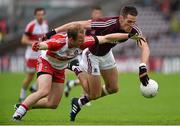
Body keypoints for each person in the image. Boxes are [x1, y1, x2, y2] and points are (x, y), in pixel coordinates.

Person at [12, 23, 141, 120]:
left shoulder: (84, 41)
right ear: (71, 39)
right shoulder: (59, 42)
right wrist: (38, 45)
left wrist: (129, 36)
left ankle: (25, 105)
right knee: (44, 91)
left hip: (60, 67)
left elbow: (106, 38)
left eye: (83, 39)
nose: (82, 42)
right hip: (46, 62)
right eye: (79, 40)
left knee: (53, 103)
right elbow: (46, 44)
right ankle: (17, 115)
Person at [42, 6, 150, 121]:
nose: (131, 25)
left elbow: (145, 47)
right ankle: (75, 67)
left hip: (107, 54)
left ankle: (78, 102)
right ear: (121, 18)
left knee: (113, 88)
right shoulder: (105, 23)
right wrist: (53, 32)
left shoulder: (134, 30)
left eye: (134, 22)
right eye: (129, 22)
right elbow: (76, 24)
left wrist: (143, 66)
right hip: (92, 55)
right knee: (94, 95)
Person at [64, 5, 104, 97]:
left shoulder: (102, 26)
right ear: (92, 14)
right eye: (95, 13)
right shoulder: (86, 26)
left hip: (96, 55)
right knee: (88, 75)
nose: (97, 15)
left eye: (99, 13)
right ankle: (84, 96)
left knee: (93, 76)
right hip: (84, 54)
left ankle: (72, 84)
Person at [19, 7, 49, 102]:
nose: (40, 16)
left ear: (44, 15)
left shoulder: (45, 24)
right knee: (30, 76)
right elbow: (23, 40)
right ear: (35, 15)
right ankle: (22, 93)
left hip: (42, 54)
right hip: (32, 55)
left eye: (42, 14)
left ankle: (34, 89)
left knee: (43, 73)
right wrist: (34, 43)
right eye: (38, 15)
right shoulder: (31, 26)